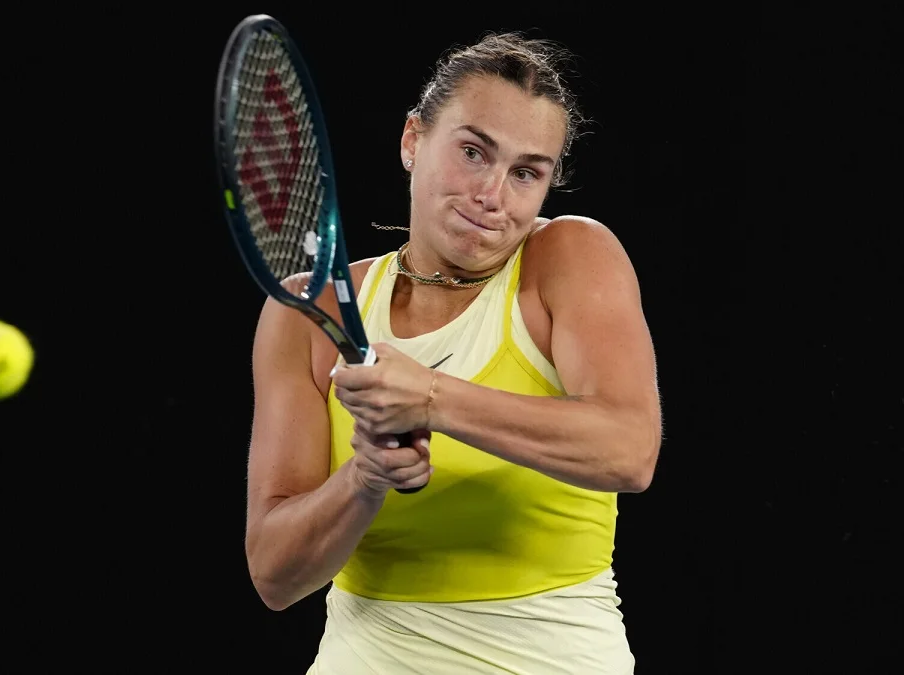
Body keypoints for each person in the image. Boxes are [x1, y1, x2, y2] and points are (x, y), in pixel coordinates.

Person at [245, 30, 662, 674]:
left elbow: (629, 451)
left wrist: (432, 398)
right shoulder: (309, 310)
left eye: (526, 173)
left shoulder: (570, 256)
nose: (493, 195)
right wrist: (364, 479)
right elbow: (275, 576)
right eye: (473, 152)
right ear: (413, 140)